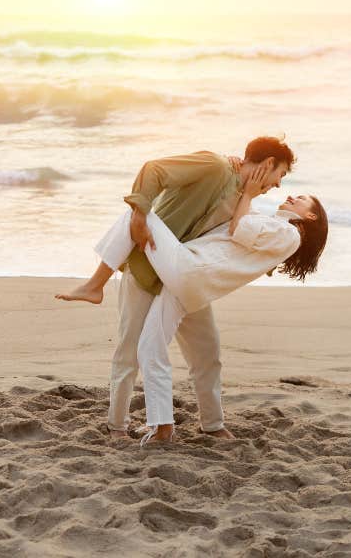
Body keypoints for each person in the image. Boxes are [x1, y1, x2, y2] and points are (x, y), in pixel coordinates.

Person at [56, 137, 296, 441]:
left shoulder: (244, 197)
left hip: (187, 280)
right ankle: (117, 426)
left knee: (207, 354)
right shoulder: (216, 166)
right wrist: (141, 216)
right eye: (281, 175)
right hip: (147, 266)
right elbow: (153, 170)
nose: (277, 185)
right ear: (269, 163)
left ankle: (213, 424)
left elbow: (246, 242)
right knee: (130, 351)